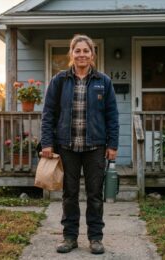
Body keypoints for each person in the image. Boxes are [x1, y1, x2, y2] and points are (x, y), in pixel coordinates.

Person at [41, 34, 119, 255]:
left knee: (95, 194)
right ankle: (69, 237)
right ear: (71, 54)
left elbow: (112, 116)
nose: (82, 54)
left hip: (95, 147)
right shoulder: (59, 81)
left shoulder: (103, 81)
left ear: (92, 55)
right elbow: (48, 114)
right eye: (78, 51)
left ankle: (95, 238)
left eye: (86, 51)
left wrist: (112, 145)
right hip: (67, 147)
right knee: (69, 194)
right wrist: (47, 142)